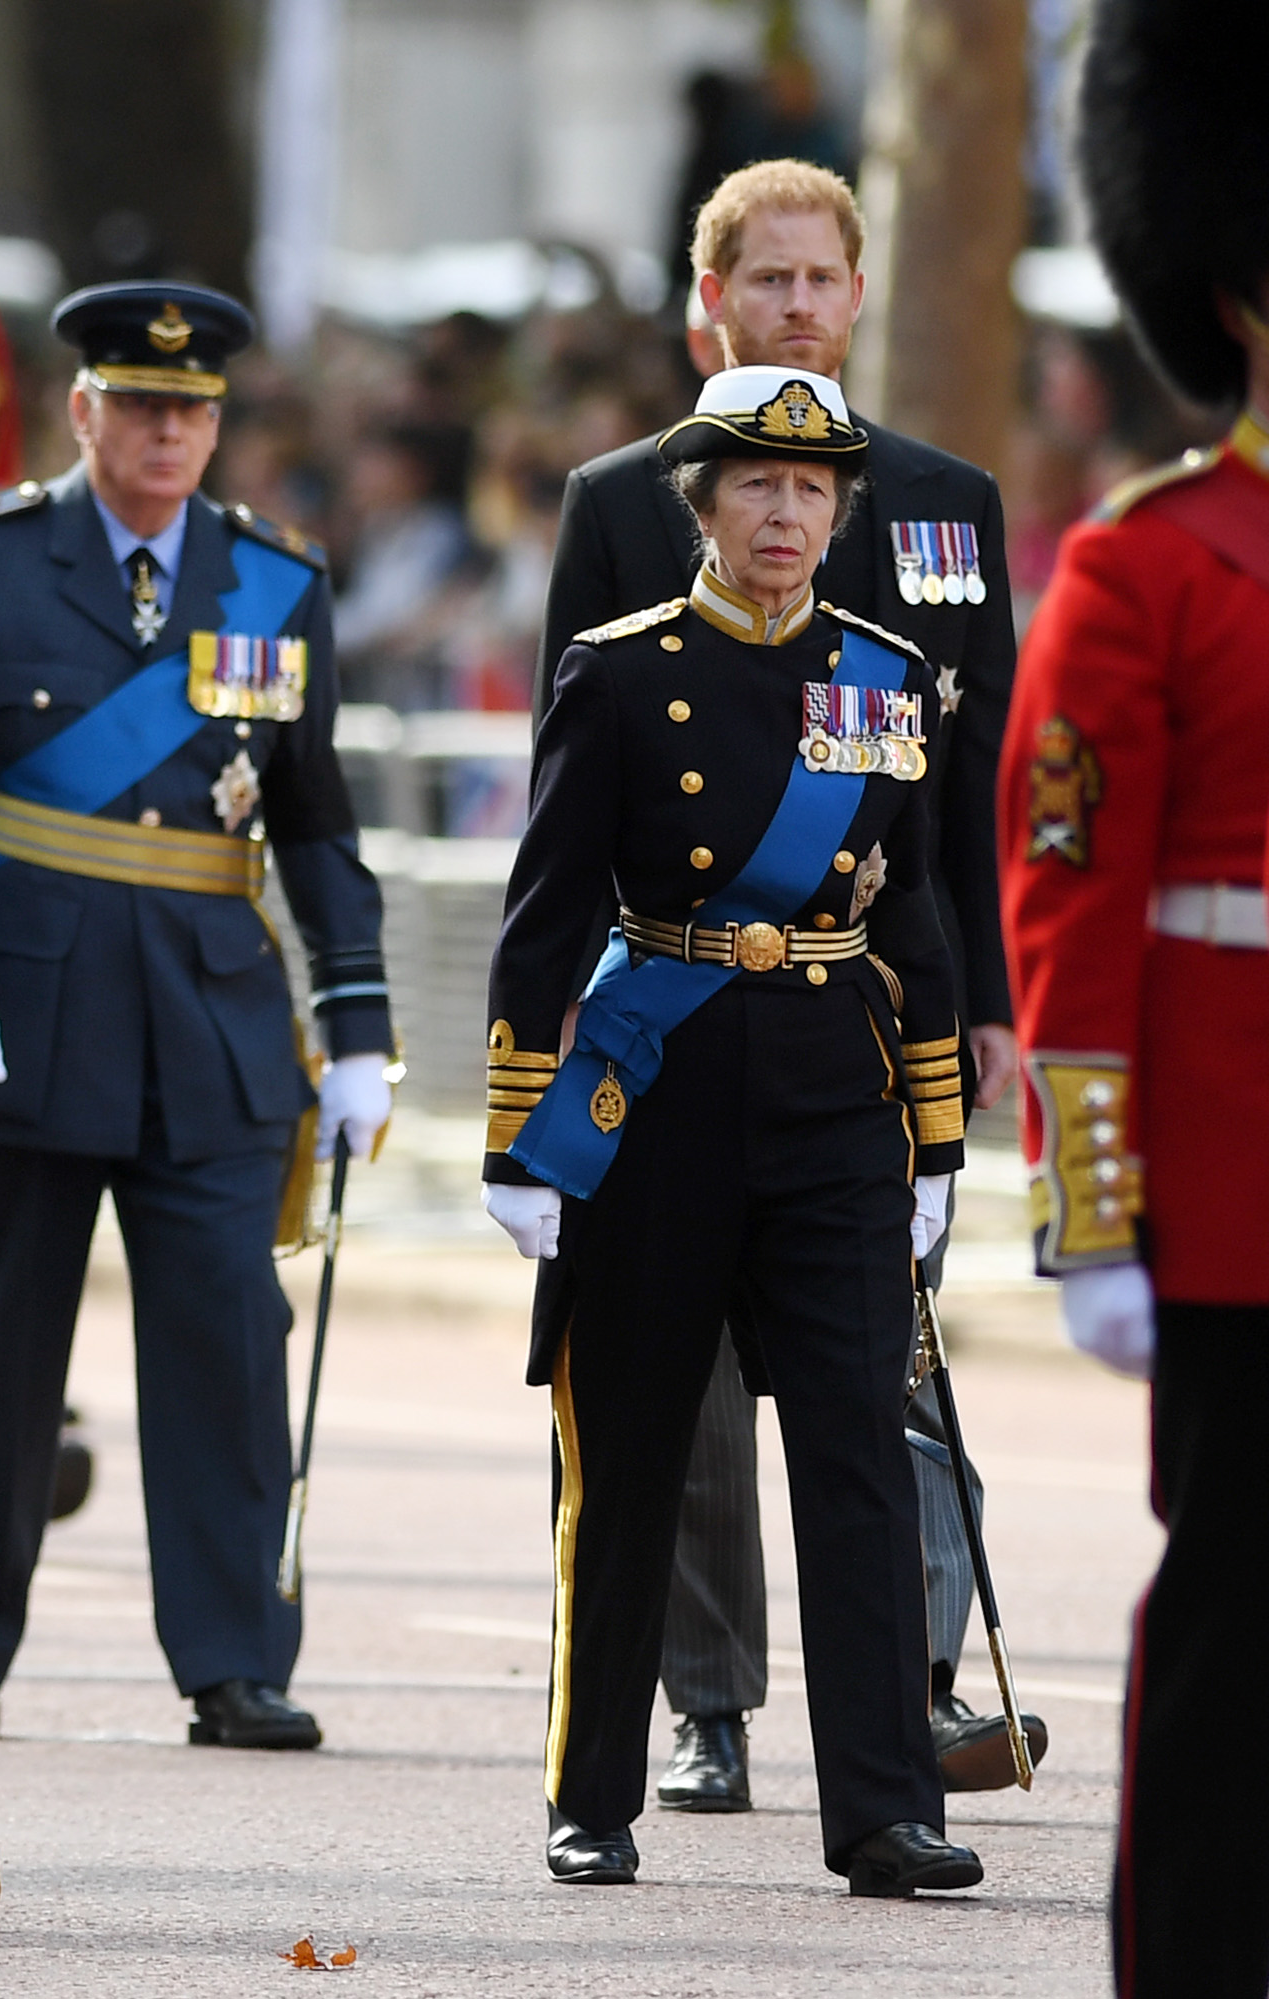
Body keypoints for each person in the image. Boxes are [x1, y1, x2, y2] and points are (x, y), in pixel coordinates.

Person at [536, 158, 1033, 1811]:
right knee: (671, 1419)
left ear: (861, 292)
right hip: (673, 1012)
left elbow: (957, 800)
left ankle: (911, 1694)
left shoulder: (950, 499)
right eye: (771, 280)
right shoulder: (619, 502)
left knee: (874, 1374)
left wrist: (982, 1016)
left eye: (825, 278)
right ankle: (706, 1700)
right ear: (717, 301)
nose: (800, 304)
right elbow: (572, 803)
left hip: (865, 1010)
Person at [488, 363, 977, 1895]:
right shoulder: (622, 669)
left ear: (840, 510)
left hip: (836, 1098)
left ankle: (885, 1807)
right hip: (663, 1093)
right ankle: (594, 1789)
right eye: (756, 486)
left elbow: (925, 899)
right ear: (702, 503)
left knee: (857, 1453)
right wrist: (518, 1132)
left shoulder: (886, 676)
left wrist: (941, 1136)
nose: (785, 513)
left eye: (813, 488)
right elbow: (548, 905)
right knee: (627, 1451)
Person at [0, 284, 392, 1750]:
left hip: (212, 1023)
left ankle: (235, 1656)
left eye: (193, 410)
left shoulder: (274, 584)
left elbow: (313, 822)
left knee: (231, 1343)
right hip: (24, 1014)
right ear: (84, 411)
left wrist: (358, 1016)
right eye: (141, 404)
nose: (169, 431)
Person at [1011, 2, 1269, 1982]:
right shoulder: (1149, 565)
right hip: (1237, 1176)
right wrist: (1096, 1207)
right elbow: (1072, 903)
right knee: (1245, 1612)